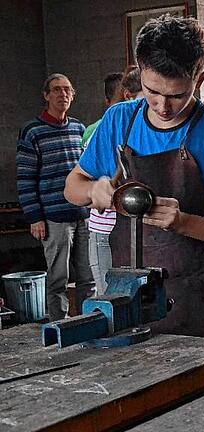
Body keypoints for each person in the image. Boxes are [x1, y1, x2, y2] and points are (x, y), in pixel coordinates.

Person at [64, 15, 204, 339]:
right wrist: (93, 190)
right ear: (139, 72)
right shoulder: (119, 121)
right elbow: (72, 187)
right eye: (152, 91)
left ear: (200, 78)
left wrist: (182, 222)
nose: (163, 106)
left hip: (193, 303)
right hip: (125, 298)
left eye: (177, 95)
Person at [16, 73, 94, 320]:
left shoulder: (79, 129)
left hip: (84, 214)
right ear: (46, 95)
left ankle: (88, 321)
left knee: (88, 276)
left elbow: (89, 171)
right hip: (53, 217)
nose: (63, 95)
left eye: (68, 90)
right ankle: (59, 325)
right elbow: (25, 178)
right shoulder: (32, 132)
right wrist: (34, 217)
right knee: (58, 277)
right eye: (57, 90)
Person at [83, 67, 143, 295]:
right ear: (128, 96)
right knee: (111, 298)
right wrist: (96, 190)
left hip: (140, 232)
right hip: (106, 230)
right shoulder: (101, 129)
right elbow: (77, 187)